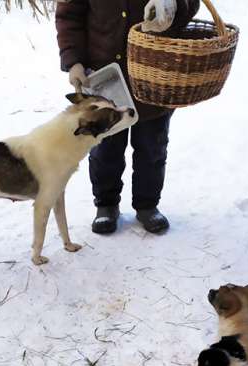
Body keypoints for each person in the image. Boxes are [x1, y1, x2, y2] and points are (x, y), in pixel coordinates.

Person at [55, 0, 200, 234]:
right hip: (104, 77)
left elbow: (190, 5)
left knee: (152, 147)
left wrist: (172, 4)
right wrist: (73, 61)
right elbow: (69, 15)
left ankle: (147, 205)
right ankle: (106, 205)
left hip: (154, 73)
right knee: (105, 149)